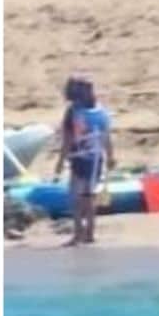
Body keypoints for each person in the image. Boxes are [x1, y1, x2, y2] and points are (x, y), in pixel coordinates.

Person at [53, 76, 114, 246]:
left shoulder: (73, 112)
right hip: (96, 160)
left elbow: (67, 140)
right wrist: (111, 156)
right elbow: (106, 137)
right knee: (89, 196)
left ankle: (78, 234)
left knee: (76, 197)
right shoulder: (101, 111)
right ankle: (90, 233)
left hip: (80, 159)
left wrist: (59, 163)